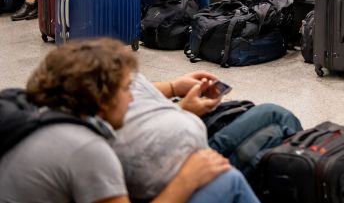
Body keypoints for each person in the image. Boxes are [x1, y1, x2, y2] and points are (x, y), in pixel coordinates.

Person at [0, 38, 259, 203]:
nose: (132, 100)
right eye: (126, 90)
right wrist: (188, 178)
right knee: (228, 182)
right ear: (101, 99)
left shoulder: (40, 113)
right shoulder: (87, 150)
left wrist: (173, 88)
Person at [115, 68, 300, 199]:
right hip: (182, 164)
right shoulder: (93, 147)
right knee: (276, 121)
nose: (131, 96)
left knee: (273, 121)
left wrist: (174, 87)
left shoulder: (99, 78)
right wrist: (186, 180)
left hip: (187, 137)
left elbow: (136, 89)